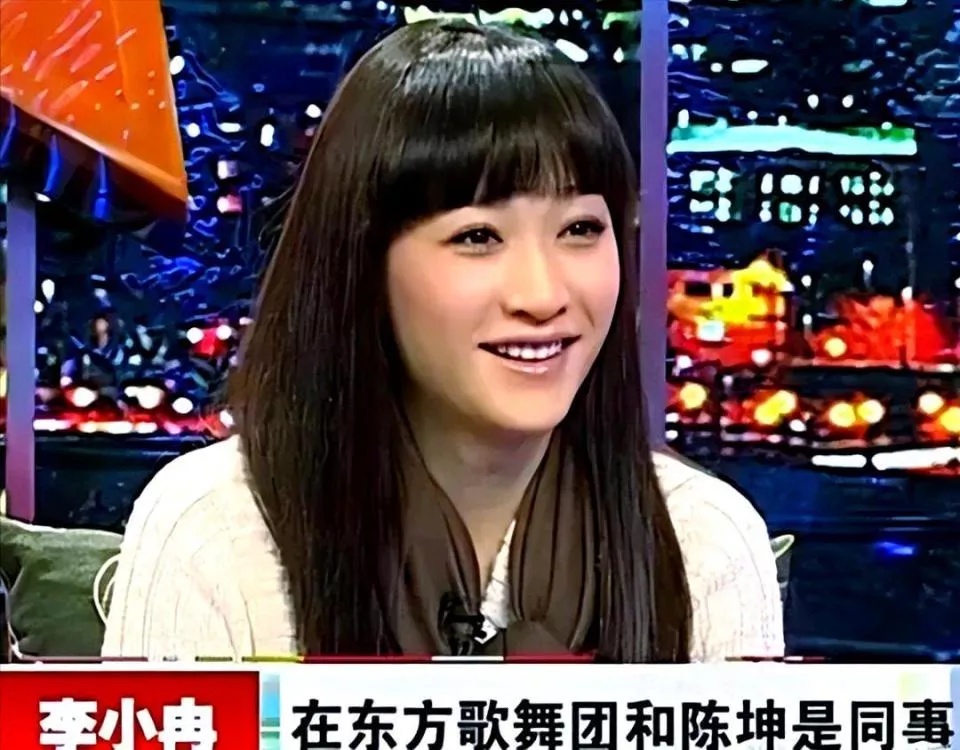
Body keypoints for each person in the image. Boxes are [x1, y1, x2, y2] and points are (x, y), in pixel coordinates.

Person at [103, 19, 783, 662]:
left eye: (579, 230)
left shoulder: (703, 543)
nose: (542, 295)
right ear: (363, 263)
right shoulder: (217, 532)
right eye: (477, 237)